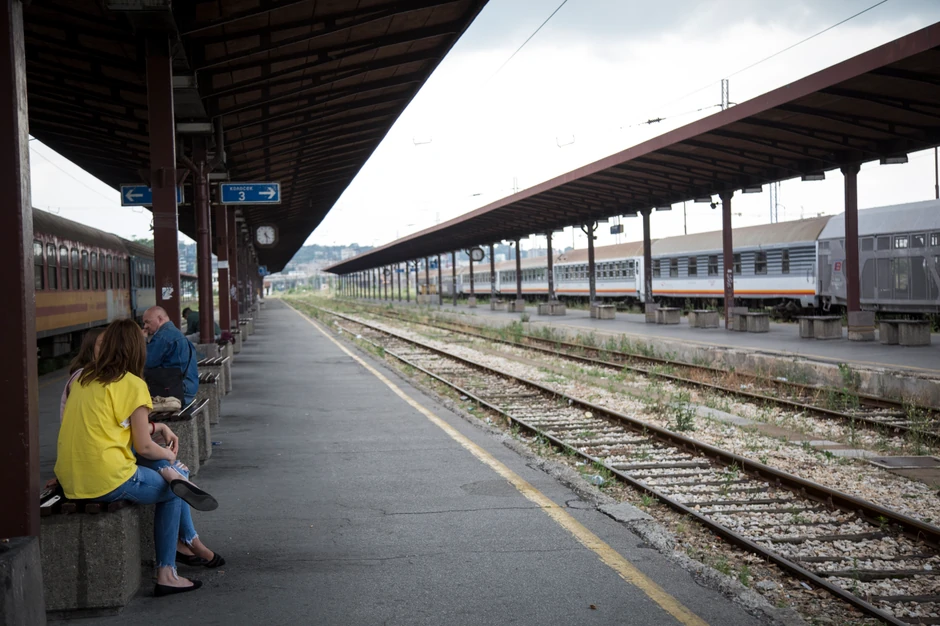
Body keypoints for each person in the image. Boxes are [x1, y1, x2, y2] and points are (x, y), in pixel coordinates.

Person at [55, 318, 223, 597]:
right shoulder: (131, 384)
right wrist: (168, 454)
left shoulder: (83, 379)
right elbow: (144, 447)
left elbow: (117, 430)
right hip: (105, 479)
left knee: (165, 468)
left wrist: (160, 444)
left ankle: (175, 489)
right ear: (137, 350)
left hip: (70, 477)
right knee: (173, 489)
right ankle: (167, 572)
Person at [143, 306, 198, 404]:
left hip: (178, 391)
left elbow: (144, 362)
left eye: (147, 322)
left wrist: (142, 341)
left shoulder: (163, 337)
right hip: (189, 387)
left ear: (159, 319)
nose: (145, 326)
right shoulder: (174, 333)